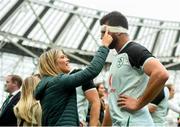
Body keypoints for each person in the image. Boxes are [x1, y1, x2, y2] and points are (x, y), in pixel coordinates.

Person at [100, 11, 169, 126]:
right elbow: (113, 101)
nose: (102, 37)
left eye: (105, 31)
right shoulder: (118, 58)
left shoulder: (134, 50)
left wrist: (138, 103)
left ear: (118, 32)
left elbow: (161, 74)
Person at [34, 27, 112, 126]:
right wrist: (104, 46)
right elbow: (92, 71)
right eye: (62, 57)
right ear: (52, 63)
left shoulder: (46, 85)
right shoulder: (58, 81)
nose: (67, 59)